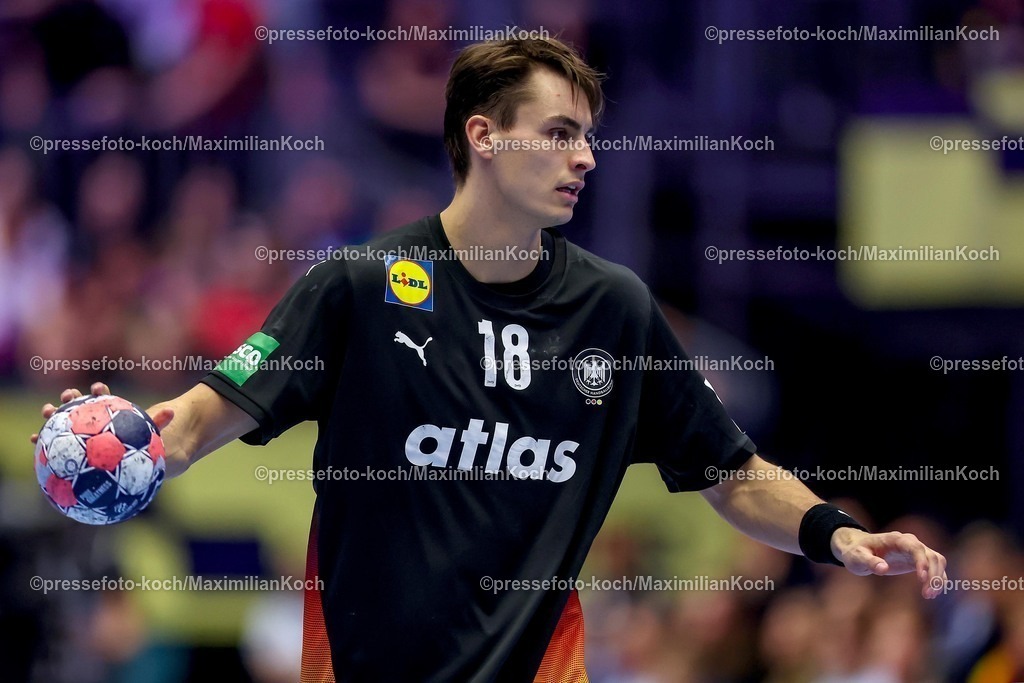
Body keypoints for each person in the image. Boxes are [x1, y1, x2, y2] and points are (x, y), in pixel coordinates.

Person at [33, 37, 947, 683]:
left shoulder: (614, 309)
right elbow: (211, 409)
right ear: (481, 135)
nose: (585, 157)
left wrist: (834, 532)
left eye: (589, 135)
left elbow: (730, 471)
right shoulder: (359, 285)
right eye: (559, 133)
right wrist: (135, 442)